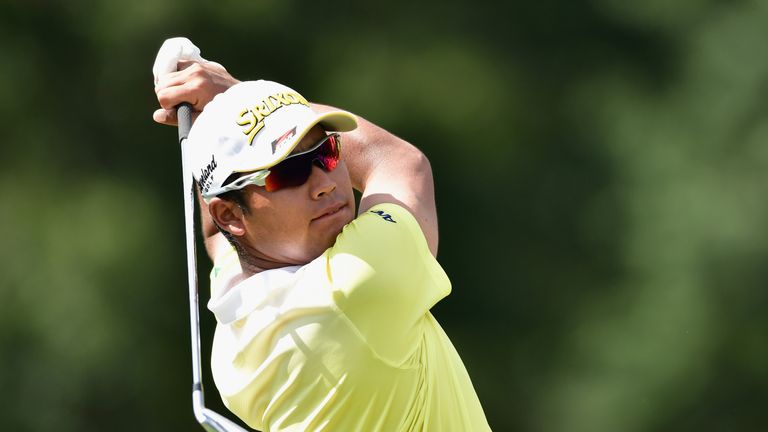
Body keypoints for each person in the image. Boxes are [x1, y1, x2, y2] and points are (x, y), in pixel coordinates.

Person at [154, 56, 490, 431]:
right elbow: (397, 161)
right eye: (288, 171)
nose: (325, 183)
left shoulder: (234, 337)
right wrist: (234, 94)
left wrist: (214, 124)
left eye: (328, 152)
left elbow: (216, 235)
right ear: (233, 214)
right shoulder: (354, 288)